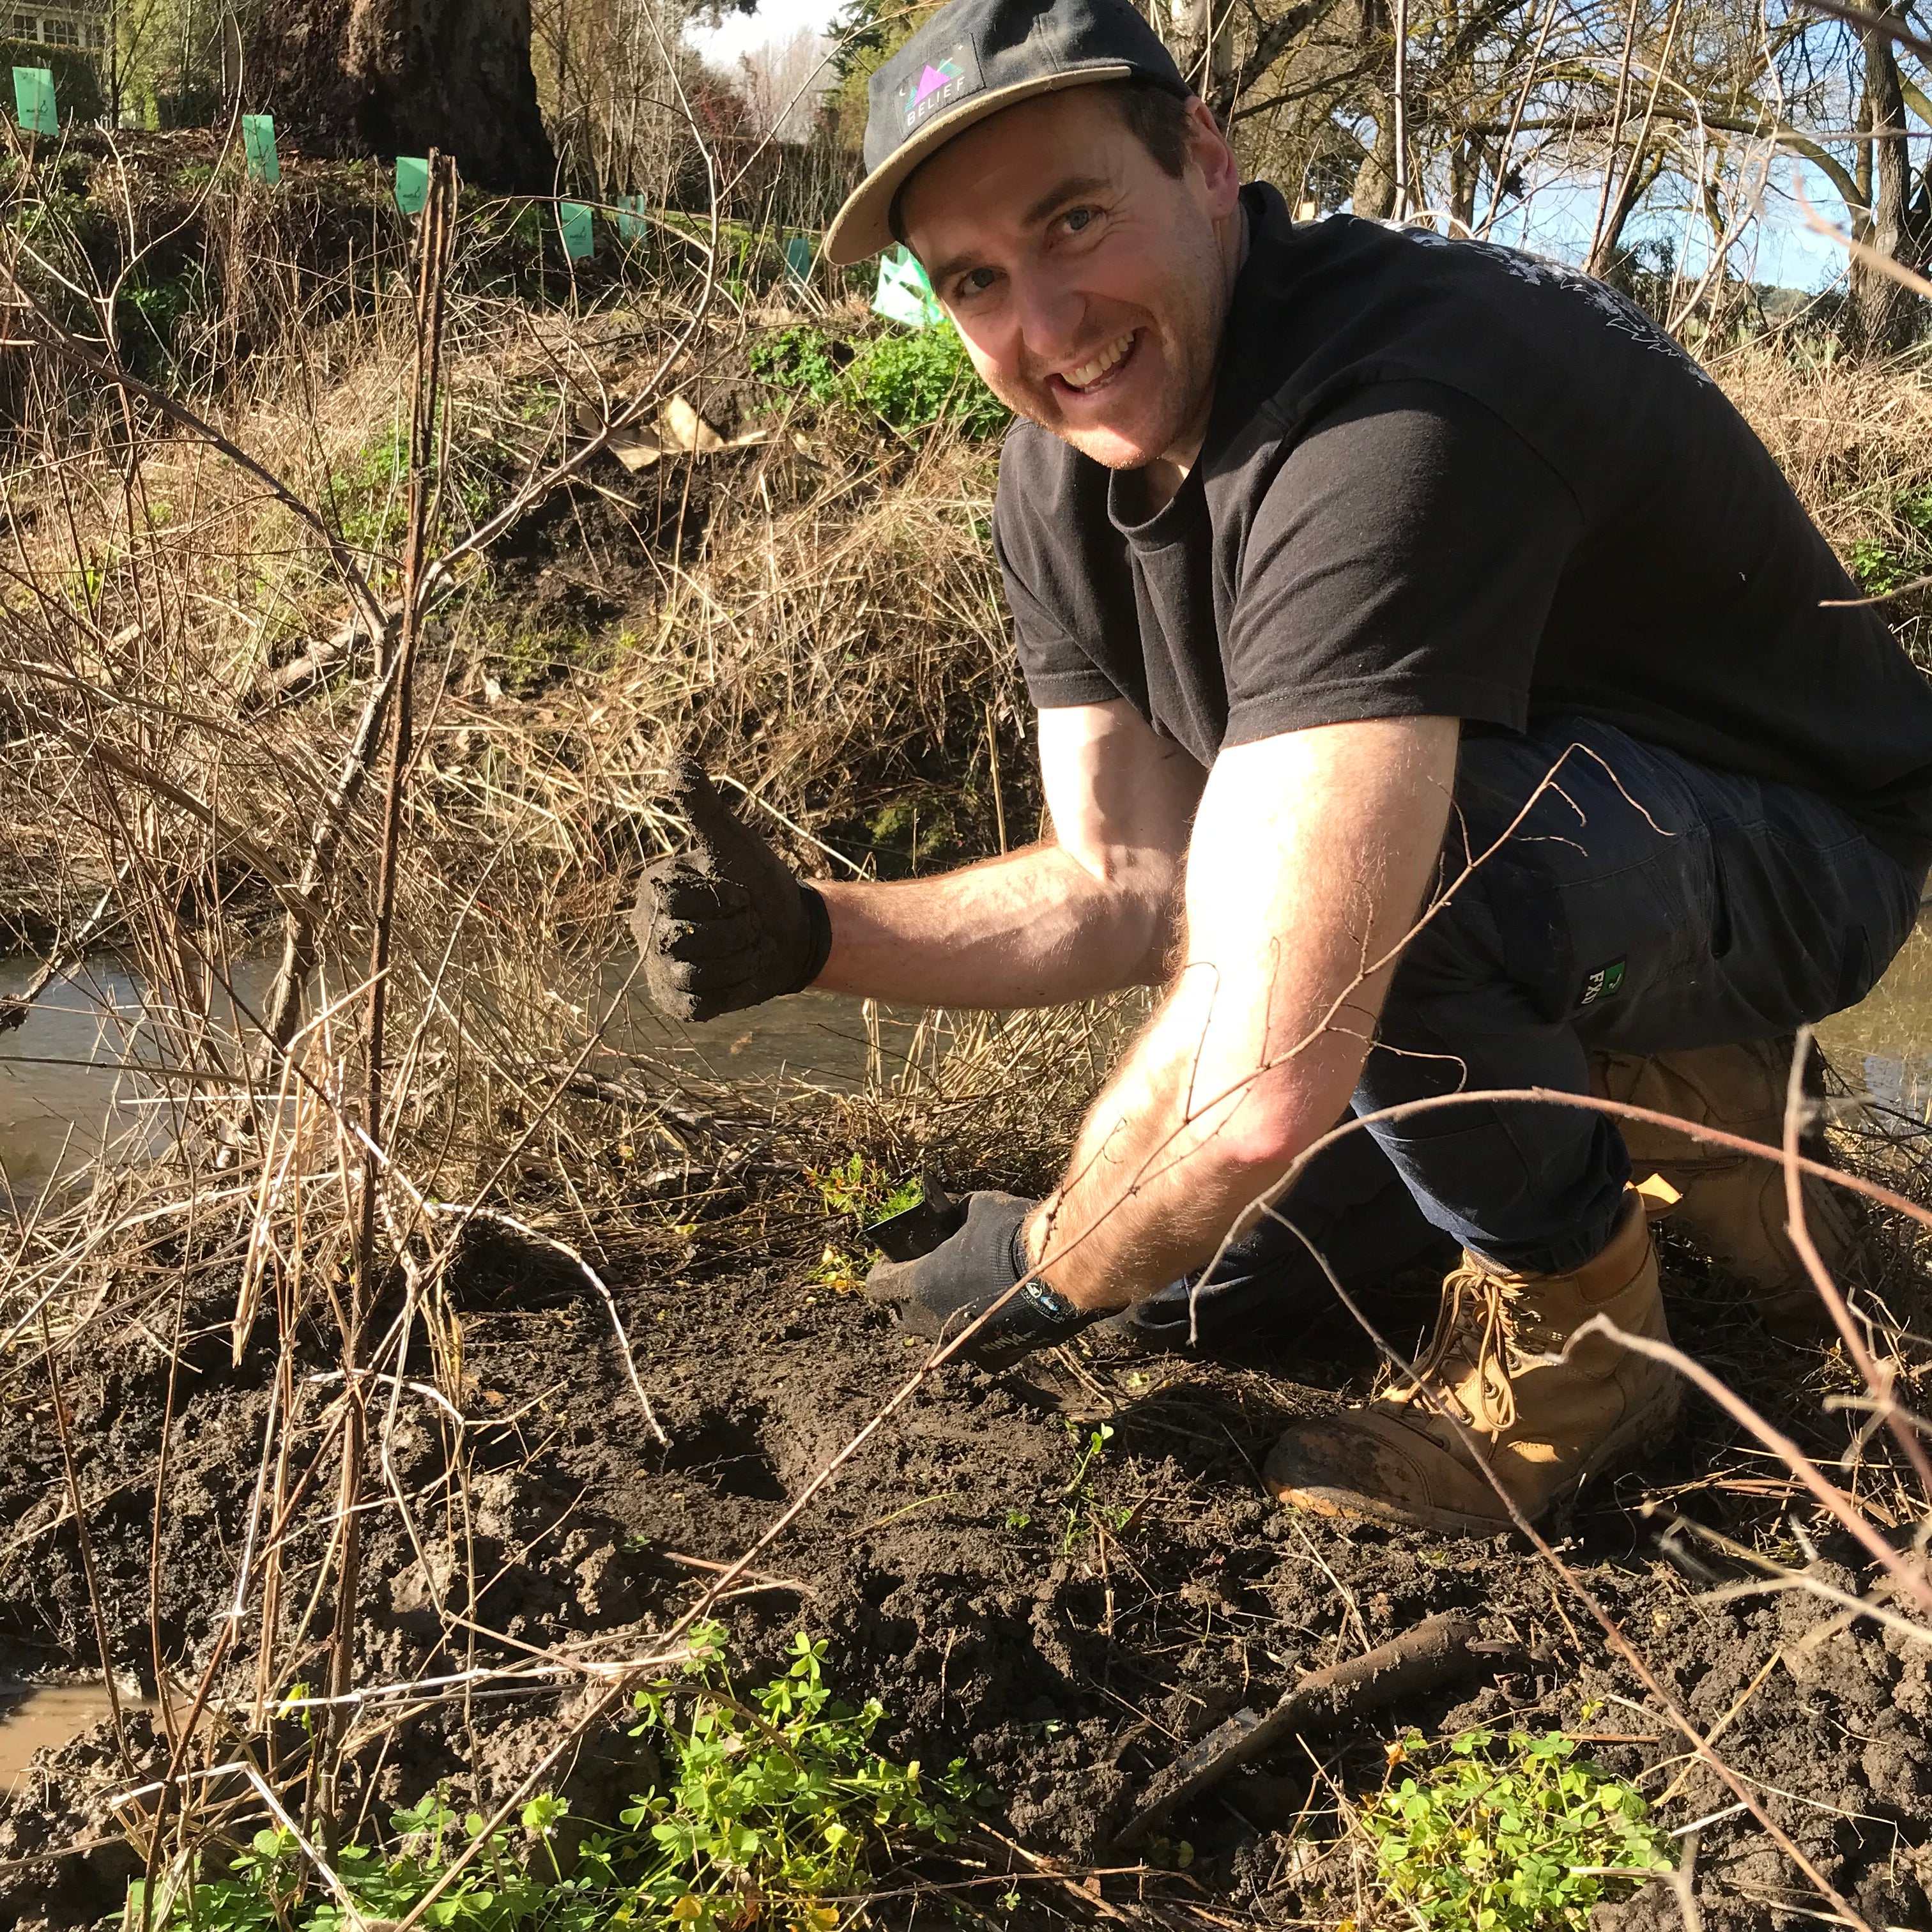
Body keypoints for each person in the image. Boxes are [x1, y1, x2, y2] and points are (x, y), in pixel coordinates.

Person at [632, 0, 1932, 1538]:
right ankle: (1667, 1096)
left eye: (1074, 221)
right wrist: (815, 936)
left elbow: (1267, 1070)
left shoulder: (1383, 415)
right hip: (1576, 845)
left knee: (1378, 905)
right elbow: (1121, 882)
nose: (1047, 329)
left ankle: (1592, 1346)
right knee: (1206, 1290)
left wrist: (1043, 1259)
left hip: (1797, 849)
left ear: (1200, 157)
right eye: (977, 279)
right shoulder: (1062, 471)